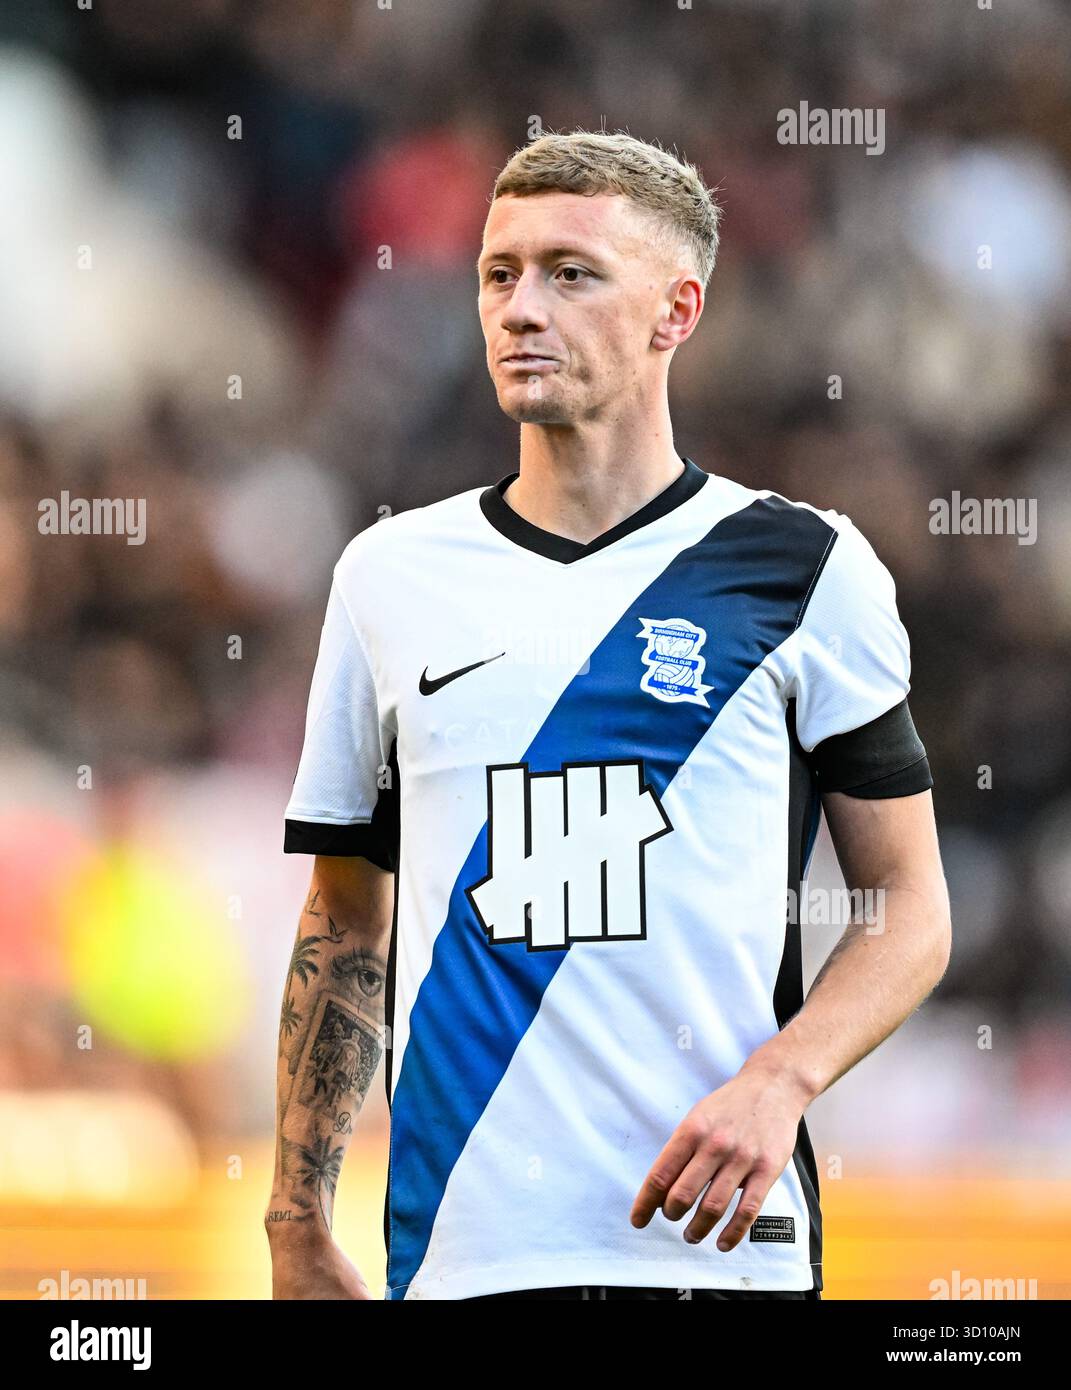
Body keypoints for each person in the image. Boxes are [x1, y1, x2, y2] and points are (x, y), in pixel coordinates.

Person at [265, 130, 951, 1301]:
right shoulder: (388, 576)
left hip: (723, 1255)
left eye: (571, 273)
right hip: (465, 1257)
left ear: (675, 311)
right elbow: (346, 924)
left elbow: (912, 906)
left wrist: (784, 1080)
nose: (520, 308)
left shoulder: (801, 567)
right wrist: (293, 1221)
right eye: (499, 272)